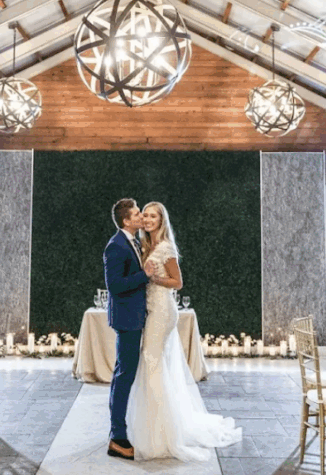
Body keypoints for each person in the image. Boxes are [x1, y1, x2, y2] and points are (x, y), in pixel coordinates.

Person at [126, 201, 242, 461]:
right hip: (150, 310)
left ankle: (164, 434)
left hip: (163, 311)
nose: (148, 219)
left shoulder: (166, 248)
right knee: (154, 363)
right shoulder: (145, 246)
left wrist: (153, 279)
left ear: (161, 220)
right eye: (145, 215)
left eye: (153, 216)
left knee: (151, 359)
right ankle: (155, 425)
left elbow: (178, 282)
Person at [103, 197, 155, 461]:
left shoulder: (132, 242)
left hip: (133, 317)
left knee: (122, 374)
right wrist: (144, 274)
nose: (141, 217)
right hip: (127, 319)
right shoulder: (116, 246)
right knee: (125, 376)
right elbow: (114, 286)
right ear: (126, 220)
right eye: (137, 214)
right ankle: (118, 438)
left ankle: (117, 431)